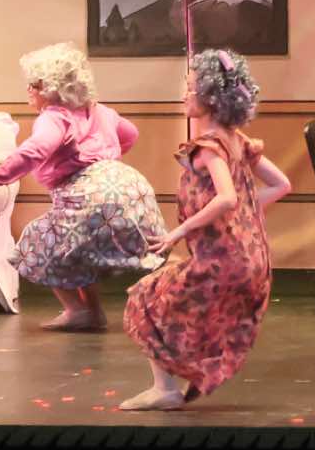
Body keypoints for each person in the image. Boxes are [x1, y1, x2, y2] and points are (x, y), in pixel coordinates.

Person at [120, 50, 292, 412]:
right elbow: (282, 185)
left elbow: (227, 197)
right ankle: (177, 381)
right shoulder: (237, 140)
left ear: (211, 97)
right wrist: (245, 213)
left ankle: (165, 389)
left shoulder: (211, 148)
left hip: (224, 261)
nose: (185, 95)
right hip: (254, 262)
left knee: (145, 298)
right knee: (179, 306)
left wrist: (178, 232)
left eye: (191, 88)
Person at [0, 41, 162, 331]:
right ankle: (92, 313)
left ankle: (76, 309)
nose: (28, 90)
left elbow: (37, 149)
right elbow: (131, 134)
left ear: (51, 89)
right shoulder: (100, 111)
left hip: (90, 192)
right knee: (74, 247)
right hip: (131, 188)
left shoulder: (55, 117)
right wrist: (107, 159)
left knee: (37, 241)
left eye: (34, 85)